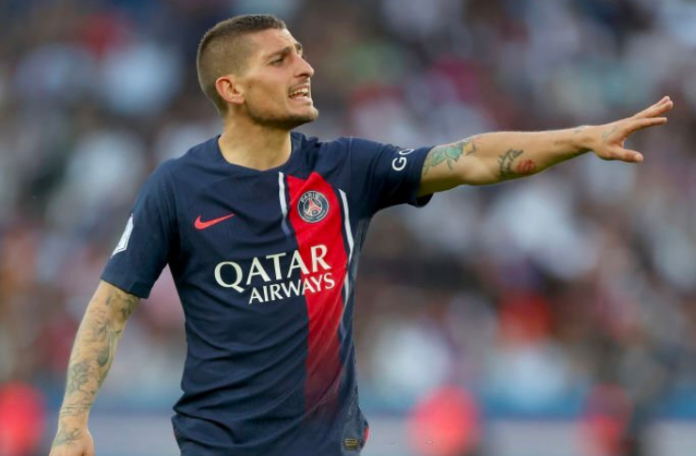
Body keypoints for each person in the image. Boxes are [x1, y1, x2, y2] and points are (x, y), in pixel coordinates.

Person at [48, 14, 673, 456]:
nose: (305, 66)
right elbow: (111, 306)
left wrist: (579, 138)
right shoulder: (178, 188)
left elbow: (472, 157)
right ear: (231, 89)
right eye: (281, 59)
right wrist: (72, 423)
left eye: (300, 52)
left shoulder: (346, 168)